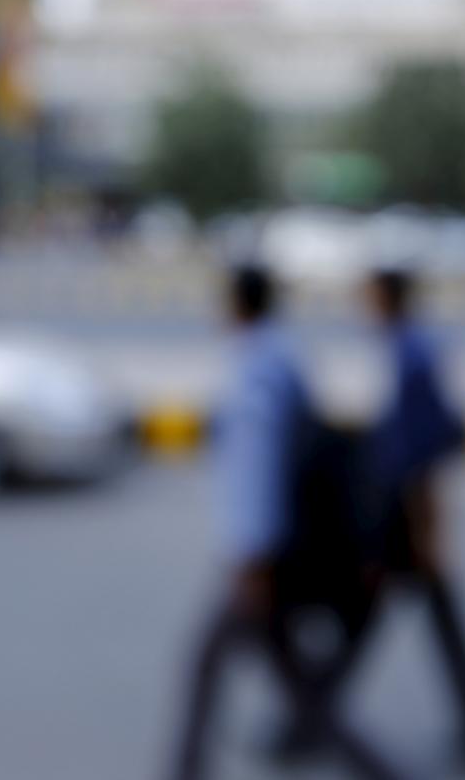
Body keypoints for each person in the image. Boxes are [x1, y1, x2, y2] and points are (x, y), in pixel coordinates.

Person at [166, 265, 403, 780]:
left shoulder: (256, 368)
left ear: (235, 304)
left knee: (239, 672)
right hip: (287, 548)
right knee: (287, 683)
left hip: (266, 555)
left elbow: (256, 468)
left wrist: (251, 559)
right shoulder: (284, 355)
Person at [363, 267, 465, 771]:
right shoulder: (411, 346)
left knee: (369, 622)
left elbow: (426, 447)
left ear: (385, 299)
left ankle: (313, 719)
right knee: (397, 623)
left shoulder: (411, 355)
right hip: (406, 513)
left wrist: (428, 530)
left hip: (408, 516)